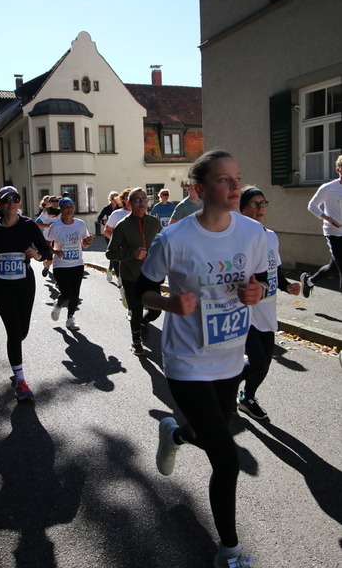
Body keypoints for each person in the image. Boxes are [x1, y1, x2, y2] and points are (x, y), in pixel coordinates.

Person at [137, 150, 269, 568]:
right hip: (186, 360)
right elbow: (141, 291)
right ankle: (229, 552)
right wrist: (169, 303)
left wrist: (258, 291)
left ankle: (174, 435)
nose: (236, 187)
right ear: (200, 189)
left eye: (238, 178)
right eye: (224, 180)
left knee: (213, 432)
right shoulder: (174, 239)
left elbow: (262, 279)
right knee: (226, 458)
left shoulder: (252, 232)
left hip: (230, 357)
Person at [0, 186, 51, 400]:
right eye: (6, 199)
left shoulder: (28, 225)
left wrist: (37, 255)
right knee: (13, 331)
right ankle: (20, 381)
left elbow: (45, 250)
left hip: (24, 283)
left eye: (15, 199)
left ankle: (16, 368)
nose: (11, 203)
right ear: (0, 204)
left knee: (22, 331)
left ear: (19, 203)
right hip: (1, 284)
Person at [238, 186, 300, 420]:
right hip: (245, 311)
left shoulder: (271, 236)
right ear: (242, 208)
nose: (261, 207)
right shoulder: (237, 239)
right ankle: (221, 387)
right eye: (254, 203)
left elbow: (275, 271)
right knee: (258, 362)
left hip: (267, 309)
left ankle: (247, 397)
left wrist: (287, 286)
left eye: (263, 202)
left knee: (264, 364)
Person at [106, 187, 162, 356]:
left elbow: (162, 243)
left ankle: (144, 323)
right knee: (136, 310)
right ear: (130, 203)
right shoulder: (122, 226)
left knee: (156, 310)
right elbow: (111, 253)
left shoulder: (154, 222)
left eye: (144, 199)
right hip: (131, 275)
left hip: (151, 275)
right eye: (138, 200)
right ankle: (136, 341)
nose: (142, 203)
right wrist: (132, 253)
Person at [48, 198, 93, 330]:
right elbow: (47, 245)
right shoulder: (55, 226)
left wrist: (88, 241)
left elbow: (84, 244)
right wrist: (55, 252)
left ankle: (70, 319)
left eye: (71, 207)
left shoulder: (80, 224)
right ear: (61, 209)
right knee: (66, 292)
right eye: (67, 207)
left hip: (77, 263)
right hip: (61, 264)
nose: (70, 209)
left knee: (75, 293)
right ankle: (59, 303)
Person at [301, 154, 342, 296]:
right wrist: (327, 218)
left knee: (334, 267)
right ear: (338, 169)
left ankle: (309, 281)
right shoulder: (329, 188)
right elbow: (312, 206)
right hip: (333, 233)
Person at [104, 187, 132, 288]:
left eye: (132, 197)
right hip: (121, 250)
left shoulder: (141, 214)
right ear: (123, 199)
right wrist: (117, 241)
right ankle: (120, 280)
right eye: (127, 197)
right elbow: (107, 231)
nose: (129, 199)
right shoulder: (117, 214)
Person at [97, 191, 120, 282]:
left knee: (115, 253)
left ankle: (110, 270)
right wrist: (105, 222)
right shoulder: (106, 208)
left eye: (117, 197)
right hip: (109, 233)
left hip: (118, 233)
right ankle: (115, 274)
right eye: (113, 198)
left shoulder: (120, 208)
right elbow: (99, 218)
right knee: (113, 252)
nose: (115, 199)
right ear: (110, 199)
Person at [36, 196, 61, 278]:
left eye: (56, 201)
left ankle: (58, 279)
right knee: (50, 260)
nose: (55, 202)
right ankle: (46, 266)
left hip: (59, 239)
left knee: (59, 259)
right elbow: (37, 223)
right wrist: (48, 225)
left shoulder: (61, 212)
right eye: (53, 201)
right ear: (49, 203)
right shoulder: (45, 212)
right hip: (48, 239)